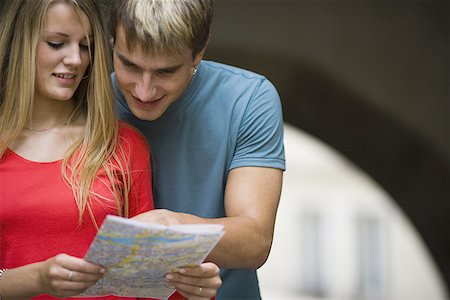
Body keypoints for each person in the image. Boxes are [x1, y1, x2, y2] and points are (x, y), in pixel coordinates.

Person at [0, 0, 221, 299]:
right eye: (57, 43)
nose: (76, 59)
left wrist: (193, 289)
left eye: (86, 45)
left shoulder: (123, 146)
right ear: (18, 43)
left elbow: (149, 282)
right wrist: (36, 279)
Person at [109, 0, 286, 298]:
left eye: (166, 72)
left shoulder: (250, 99)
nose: (144, 90)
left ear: (199, 52)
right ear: (112, 44)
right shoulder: (86, 99)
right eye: (129, 65)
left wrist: (172, 227)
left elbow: (255, 240)